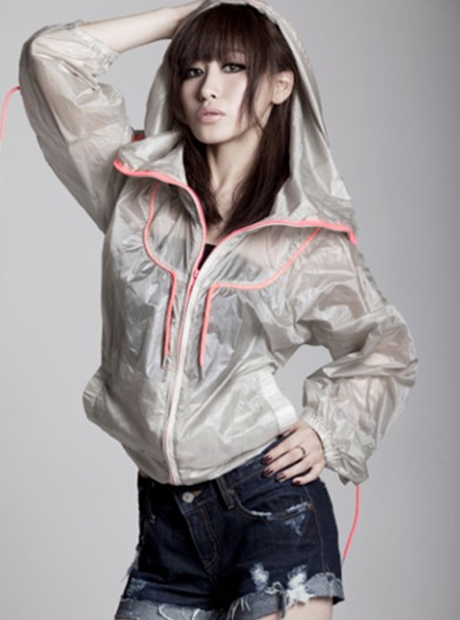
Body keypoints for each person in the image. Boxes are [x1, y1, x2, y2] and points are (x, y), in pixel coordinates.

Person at [18, 1, 419, 619]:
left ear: (280, 85)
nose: (208, 88)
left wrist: (328, 429)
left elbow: (385, 344)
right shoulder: (134, 191)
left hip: (271, 512)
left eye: (234, 67)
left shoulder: (304, 240)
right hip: (165, 526)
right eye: (192, 69)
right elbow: (50, 57)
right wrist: (189, 15)